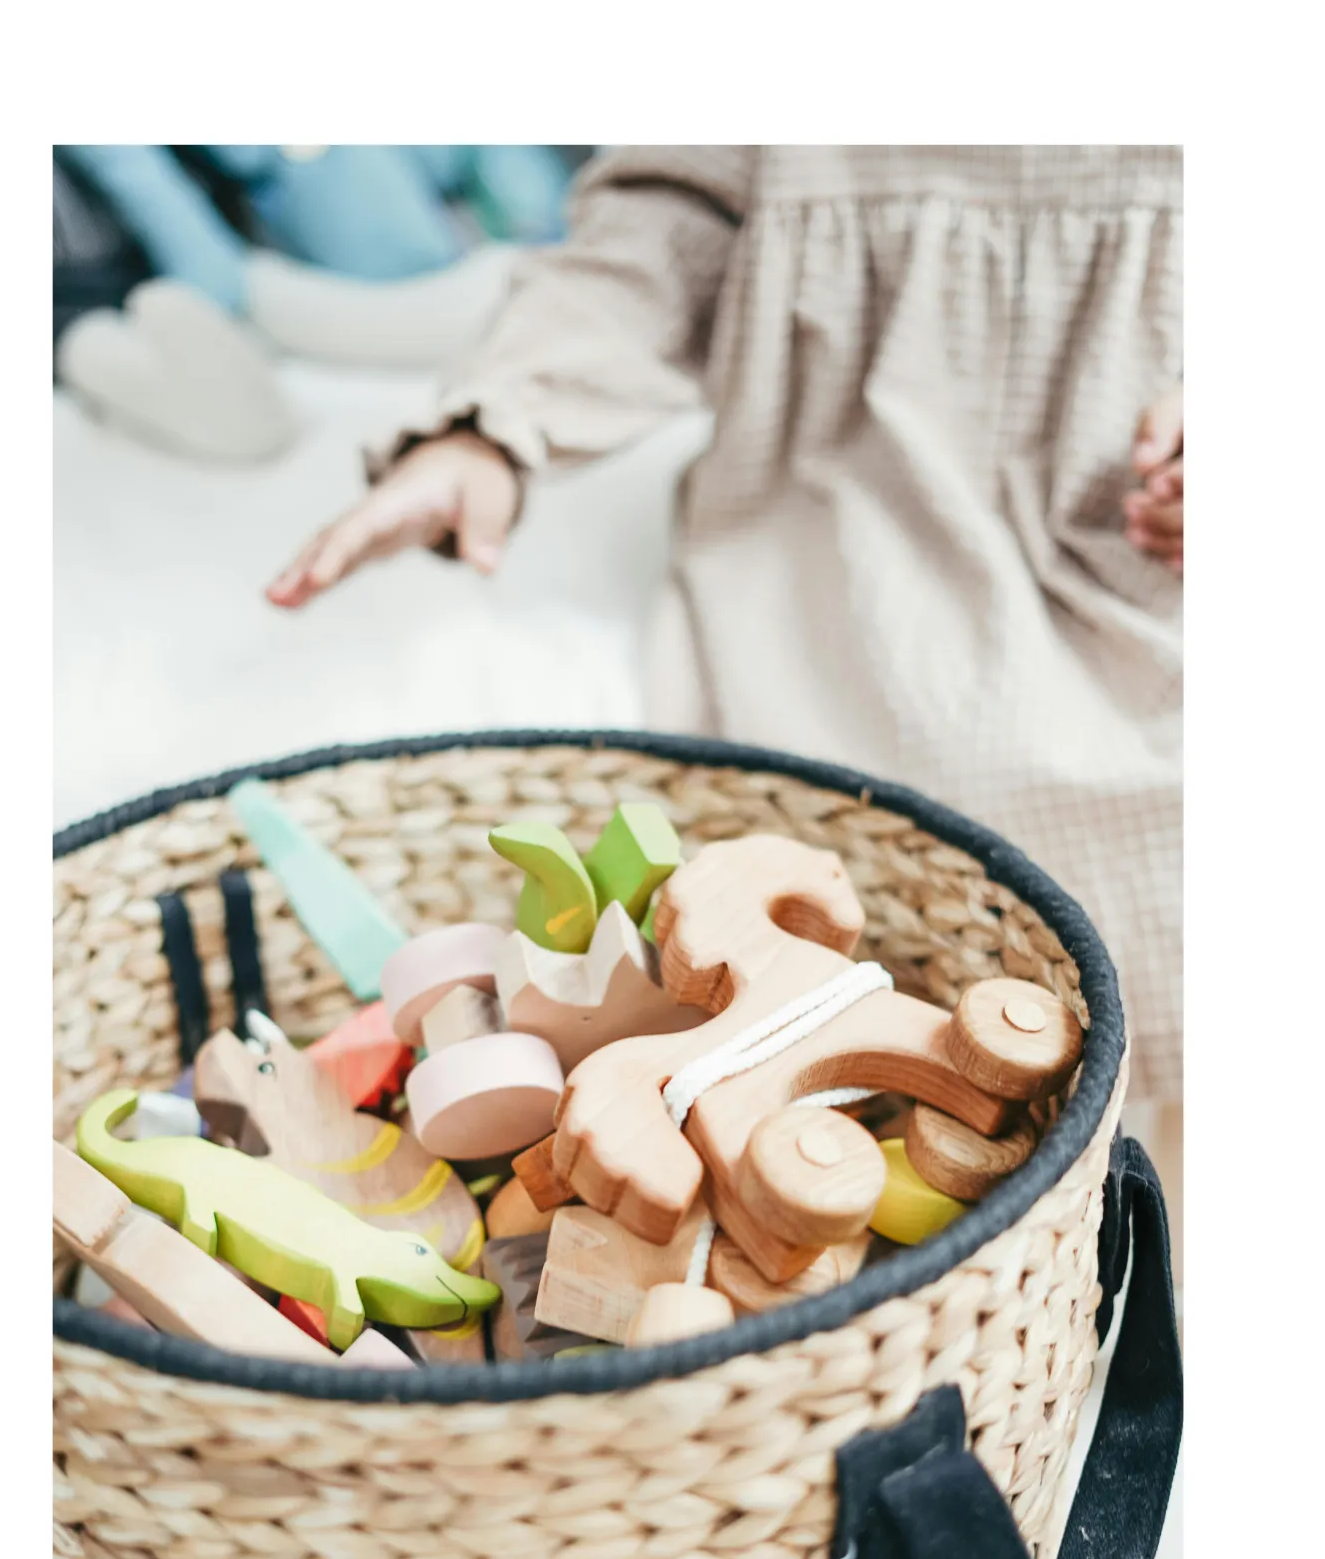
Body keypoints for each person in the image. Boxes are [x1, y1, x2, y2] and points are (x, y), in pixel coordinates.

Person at [268, 146, 1183, 1116]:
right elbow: (654, 240)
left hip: (1136, 547)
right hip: (840, 521)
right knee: (826, 831)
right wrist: (493, 428)